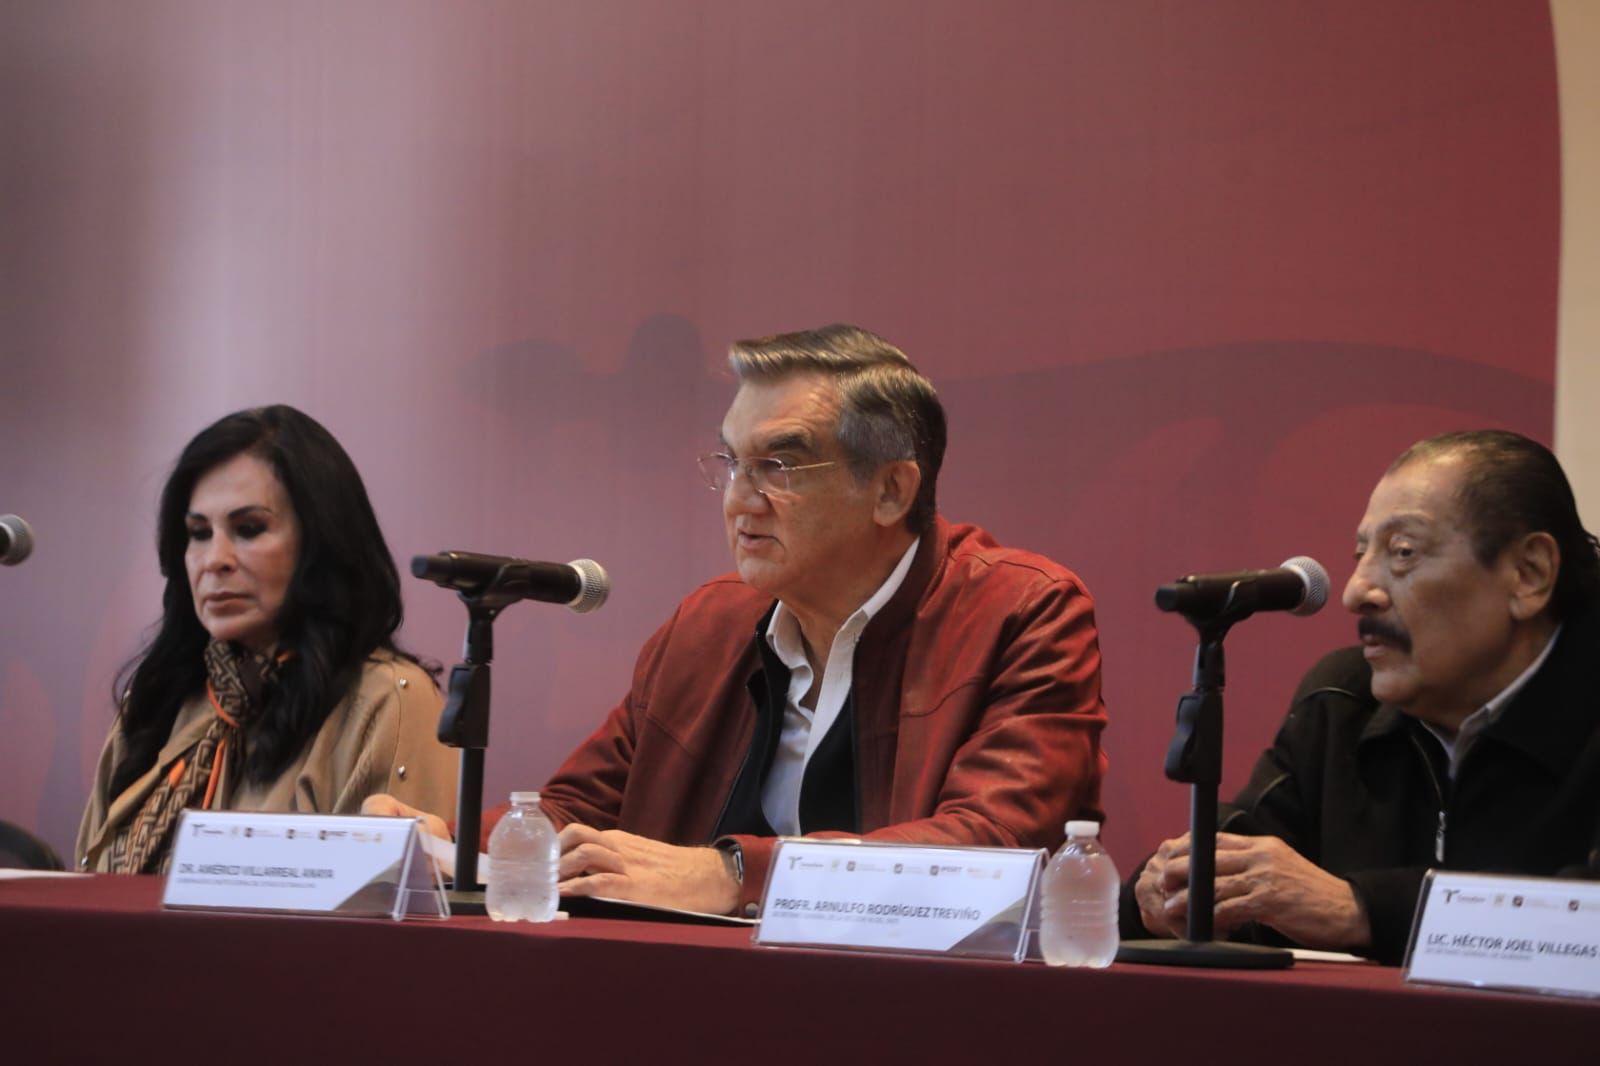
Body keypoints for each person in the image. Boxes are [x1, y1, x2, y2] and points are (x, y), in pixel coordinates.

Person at [371, 324, 1108, 916]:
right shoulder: (710, 624)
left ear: (890, 490)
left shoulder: (1022, 612)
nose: (738, 499)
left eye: (778, 467)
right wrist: (450, 843)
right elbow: (582, 811)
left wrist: (732, 875)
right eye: (730, 463)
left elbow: (993, 847)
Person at [1124, 430, 1600, 963]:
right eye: (1360, 554)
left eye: (1403, 553)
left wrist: (1361, 910)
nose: (1355, 592)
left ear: (1528, 574)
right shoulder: (1344, 698)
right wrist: (1167, 893)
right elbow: (1249, 866)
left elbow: (1587, 924)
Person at [76, 405, 457, 874]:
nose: (214, 559)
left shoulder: (388, 699)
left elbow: (386, 908)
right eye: (198, 533)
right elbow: (83, 887)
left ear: (320, 541)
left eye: (249, 529)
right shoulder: (157, 699)